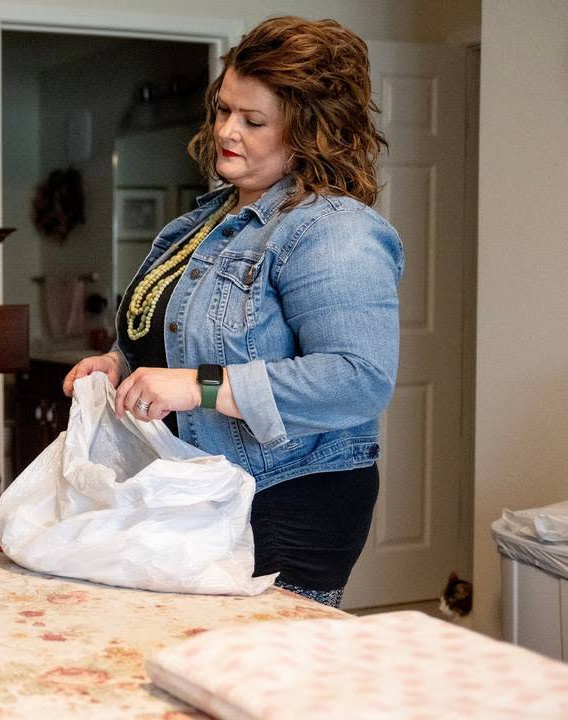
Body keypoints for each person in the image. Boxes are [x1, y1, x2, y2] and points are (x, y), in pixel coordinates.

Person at [63, 16, 403, 608]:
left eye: (253, 121)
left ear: (310, 132)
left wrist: (198, 386)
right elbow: (162, 337)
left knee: (259, 688)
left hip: (287, 500)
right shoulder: (198, 224)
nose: (226, 131)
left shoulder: (334, 231)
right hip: (194, 491)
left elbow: (359, 379)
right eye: (223, 110)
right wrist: (116, 365)